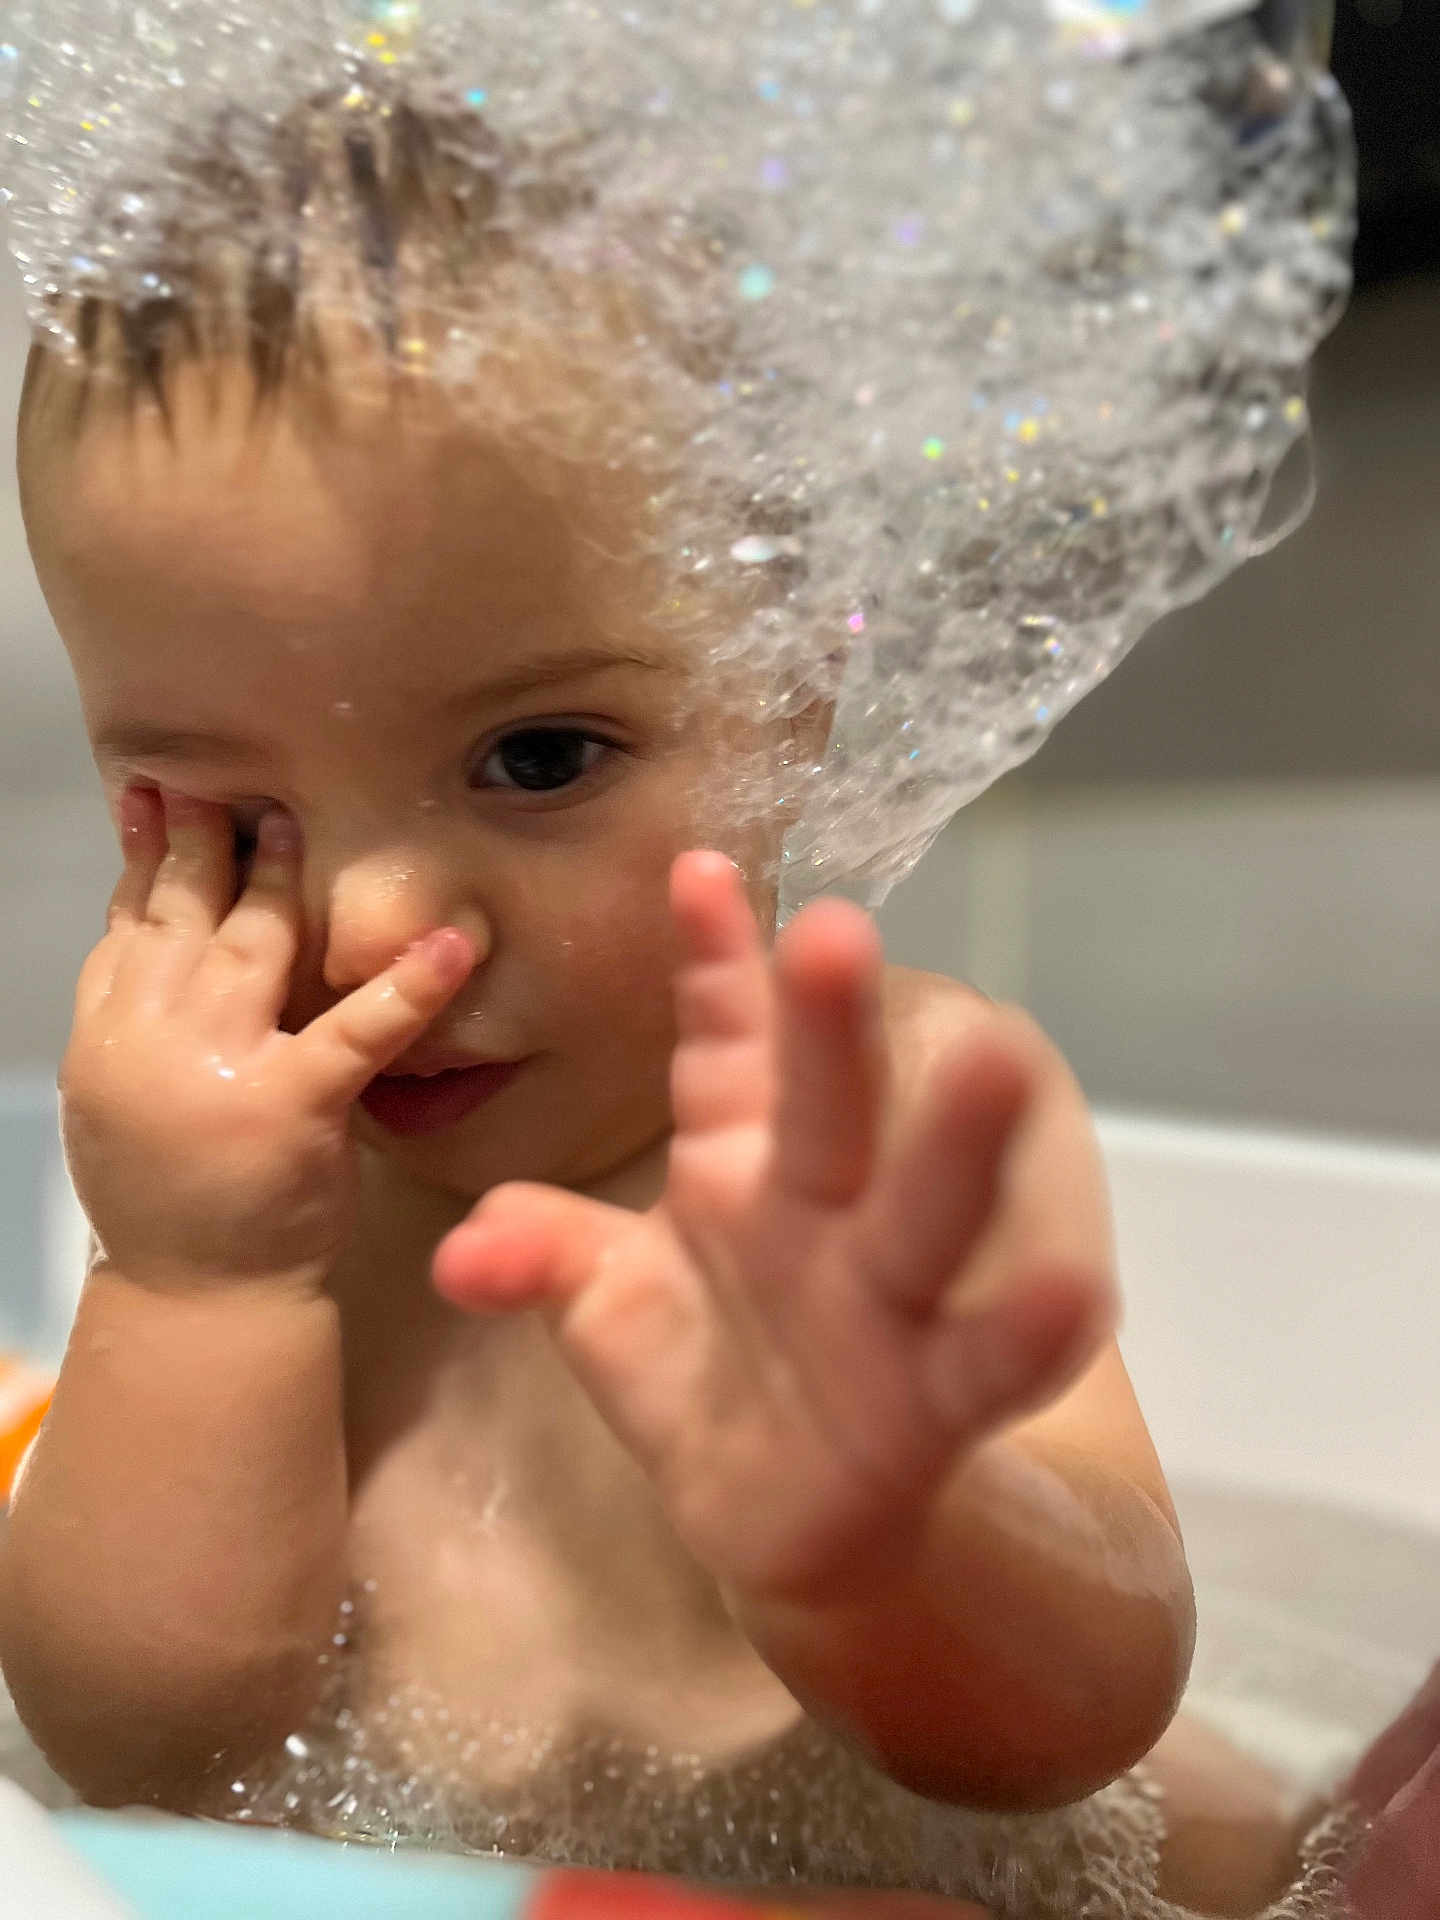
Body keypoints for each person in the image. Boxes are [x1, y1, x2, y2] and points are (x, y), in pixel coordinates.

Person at [0, 83, 1425, 1920]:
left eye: (537, 756)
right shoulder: (256, 1194)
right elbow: (149, 1762)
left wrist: (888, 1531)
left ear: (787, 702)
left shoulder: (895, 1115)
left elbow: (1064, 1726)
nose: (365, 920)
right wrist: (192, 1287)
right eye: (236, 815)